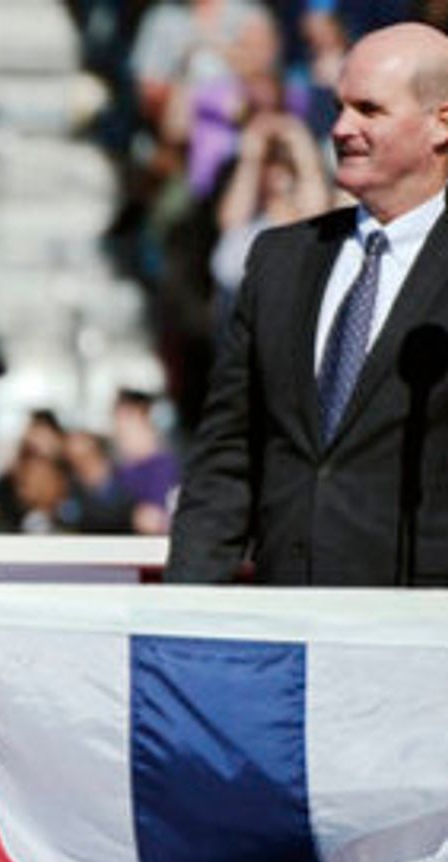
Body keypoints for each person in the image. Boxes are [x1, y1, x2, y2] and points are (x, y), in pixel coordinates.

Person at [167, 23, 448, 585]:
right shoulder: (281, 260)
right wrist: (186, 612)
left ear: (442, 123)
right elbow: (226, 458)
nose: (342, 128)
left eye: (370, 110)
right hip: (292, 634)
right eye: (340, 106)